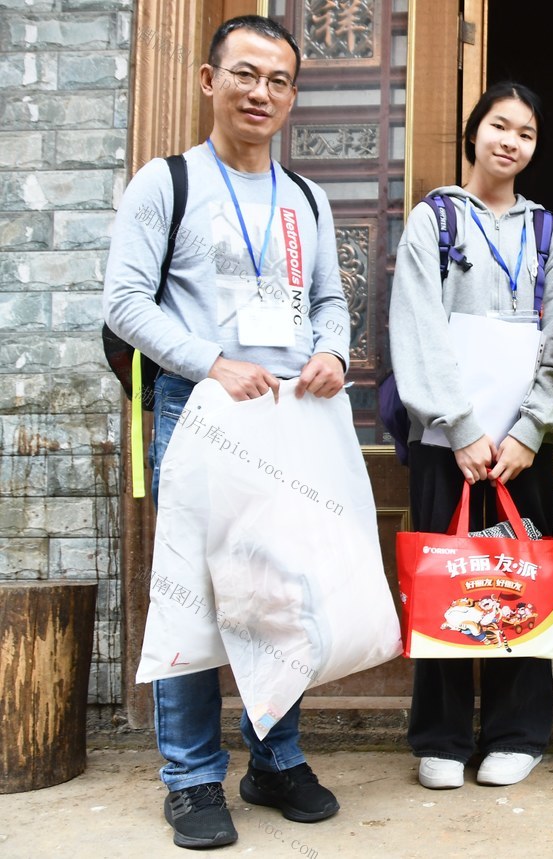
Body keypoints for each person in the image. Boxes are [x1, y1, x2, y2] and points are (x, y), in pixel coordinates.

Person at [103, 15, 349, 850]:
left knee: (283, 589)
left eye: (279, 81)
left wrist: (332, 353)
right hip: (200, 411)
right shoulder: (164, 184)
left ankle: (275, 760)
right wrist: (211, 362)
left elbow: (329, 302)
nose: (262, 93)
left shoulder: (306, 197)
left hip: (287, 419)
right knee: (193, 595)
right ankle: (192, 777)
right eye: (246, 75)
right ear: (210, 82)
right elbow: (125, 303)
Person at [389, 82, 553, 790]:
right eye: (499, 126)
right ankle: (439, 735)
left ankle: (516, 731)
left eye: (526, 133)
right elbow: (416, 325)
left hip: (520, 446)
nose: (511, 142)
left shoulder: (548, 232)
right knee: (447, 574)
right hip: (450, 441)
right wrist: (460, 425)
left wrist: (532, 428)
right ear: (473, 133)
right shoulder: (434, 220)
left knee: (517, 579)